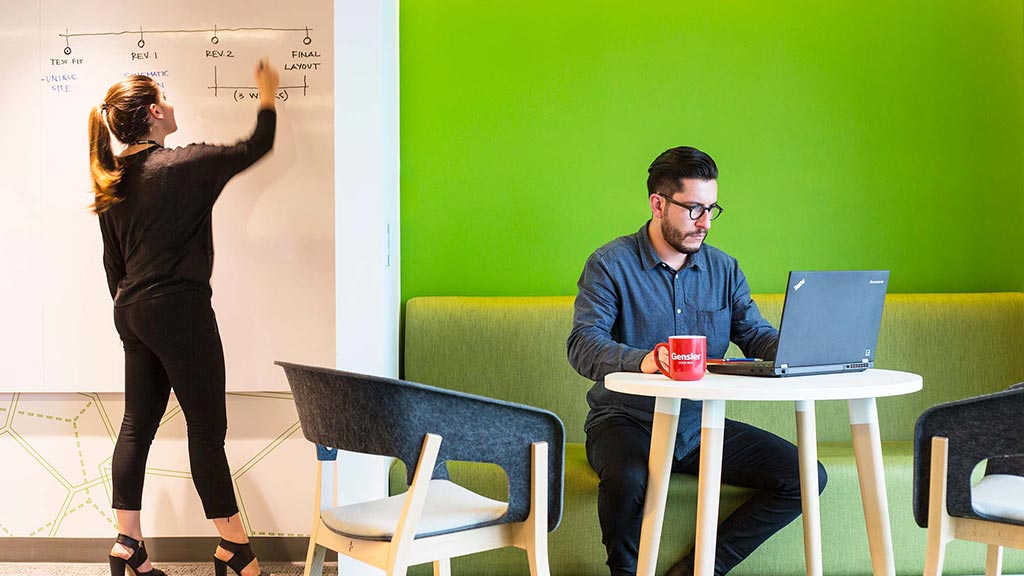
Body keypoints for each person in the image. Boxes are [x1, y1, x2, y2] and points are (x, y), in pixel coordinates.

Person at [567, 146, 827, 576]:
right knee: (629, 478)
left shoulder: (724, 269)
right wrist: (647, 360)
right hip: (626, 421)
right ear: (658, 204)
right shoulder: (610, 265)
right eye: (693, 209)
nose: (705, 222)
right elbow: (582, 344)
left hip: (700, 425)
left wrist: (804, 349)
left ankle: (696, 570)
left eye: (711, 209)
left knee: (805, 476)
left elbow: (754, 333)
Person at [88, 60, 280, 576]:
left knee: (136, 426)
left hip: (131, 312)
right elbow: (256, 145)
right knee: (207, 431)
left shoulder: (112, 182)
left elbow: (113, 267)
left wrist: (137, 317)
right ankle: (234, 547)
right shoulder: (182, 166)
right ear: (154, 112)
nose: (170, 105)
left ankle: (128, 544)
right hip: (179, 312)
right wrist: (267, 93)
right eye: (164, 97)